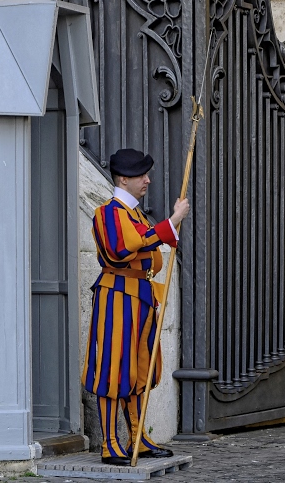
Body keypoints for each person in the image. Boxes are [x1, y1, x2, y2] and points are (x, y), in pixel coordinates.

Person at [81, 148, 190, 466]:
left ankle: (137, 437)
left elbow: (149, 247)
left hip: (141, 297)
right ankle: (110, 444)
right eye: (141, 175)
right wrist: (170, 223)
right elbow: (122, 249)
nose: (147, 180)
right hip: (117, 296)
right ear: (123, 180)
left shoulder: (136, 215)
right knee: (113, 368)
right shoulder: (107, 213)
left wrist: (167, 230)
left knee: (139, 368)